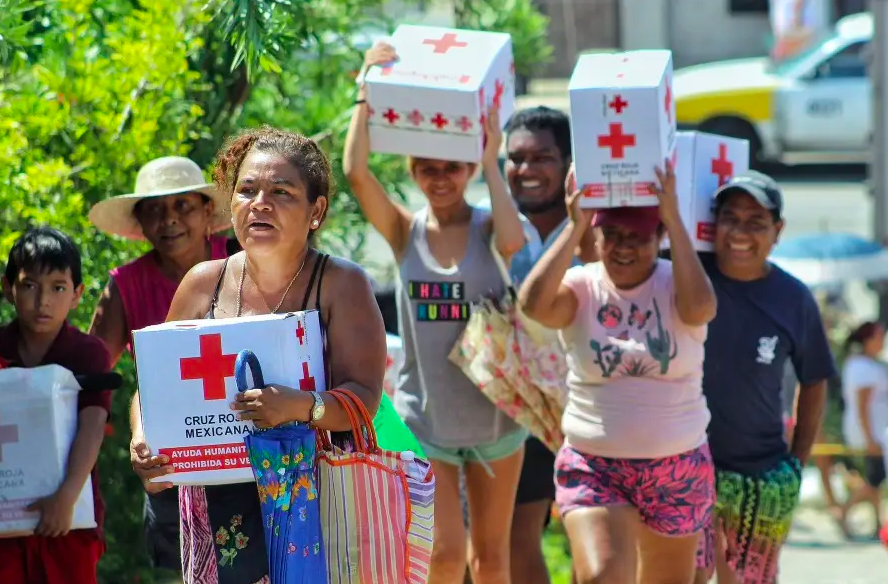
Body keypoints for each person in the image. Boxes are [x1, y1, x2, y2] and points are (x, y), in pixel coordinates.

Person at [129, 126, 388, 583]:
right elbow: (151, 388)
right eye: (247, 190)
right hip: (217, 510)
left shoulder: (342, 285)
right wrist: (141, 437)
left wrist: (300, 407)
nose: (260, 203)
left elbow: (364, 398)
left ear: (317, 211)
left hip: (317, 502)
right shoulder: (201, 283)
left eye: (281, 191)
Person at [345, 41, 527, 584]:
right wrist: (364, 88)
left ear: (468, 165)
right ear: (415, 172)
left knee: (491, 559)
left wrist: (492, 162)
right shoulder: (405, 232)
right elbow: (356, 173)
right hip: (426, 421)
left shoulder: (489, 228)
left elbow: (516, 239)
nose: (440, 178)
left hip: (497, 419)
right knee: (444, 555)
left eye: (452, 167)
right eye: (427, 169)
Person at [519, 161, 717, 584]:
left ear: (659, 236)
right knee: (602, 575)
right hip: (595, 465)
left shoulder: (677, 282)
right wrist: (575, 226)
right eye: (611, 234)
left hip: (677, 466)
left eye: (638, 236)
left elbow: (702, 309)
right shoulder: (582, 285)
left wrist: (674, 220)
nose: (623, 247)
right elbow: (533, 305)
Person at [87, 156, 234, 583]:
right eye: (154, 209)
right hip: (172, 466)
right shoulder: (126, 285)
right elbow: (92, 367)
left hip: (250, 460)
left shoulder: (245, 261)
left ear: (208, 212)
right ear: (140, 223)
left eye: (182, 206)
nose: (169, 220)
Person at [693, 171, 837, 584]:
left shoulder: (794, 299)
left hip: (762, 473)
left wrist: (797, 464)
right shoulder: (686, 277)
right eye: (730, 218)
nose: (740, 232)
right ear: (714, 225)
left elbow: (815, 379)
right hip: (685, 466)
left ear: (778, 231)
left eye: (755, 222)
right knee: (686, 575)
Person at [500, 106, 596, 584]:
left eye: (543, 157)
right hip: (518, 415)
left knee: (594, 555)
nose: (527, 170)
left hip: (592, 410)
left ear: (568, 164)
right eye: (516, 158)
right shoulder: (490, 228)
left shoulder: (599, 229)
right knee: (518, 549)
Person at [0, 227, 114, 584]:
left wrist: (66, 496)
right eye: (29, 285)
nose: (43, 301)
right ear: (8, 289)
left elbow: (92, 426)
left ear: (78, 294)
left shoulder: (88, 353)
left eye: (58, 288)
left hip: (69, 516)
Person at [839, 321, 887, 538]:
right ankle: (844, 511)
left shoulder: (868, 364)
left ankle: (878, 523)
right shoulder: (862, 368)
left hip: (875, 429)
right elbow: (862, 406)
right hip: (870, 431)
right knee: (875, 479)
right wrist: (869, 438)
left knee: (875, 479)